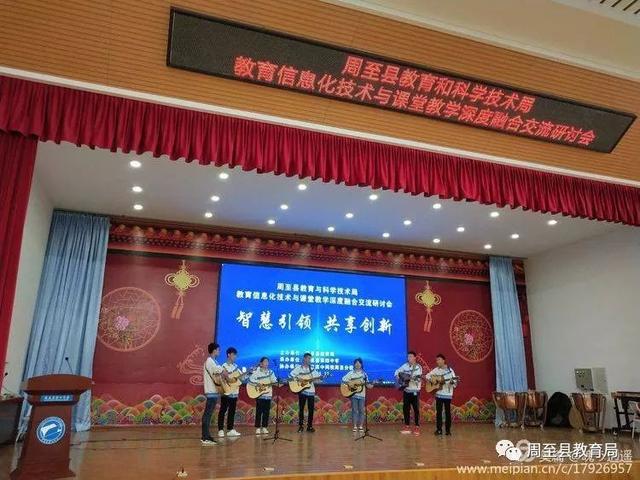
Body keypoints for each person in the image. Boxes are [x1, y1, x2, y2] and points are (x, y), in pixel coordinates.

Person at [426, 353, 457, 436]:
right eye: (437, 360)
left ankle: (448, 430)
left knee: (447, 413)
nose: (437, 361)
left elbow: (455, 382)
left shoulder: (450, 370)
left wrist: (452, 382)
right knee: (438, 412)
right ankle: (439, 430)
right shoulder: (436, 370)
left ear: (443, 360)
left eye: (439, 360)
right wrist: (433, 380)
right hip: (439, 394)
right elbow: (427, 376)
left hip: (447, 395)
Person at [394, 351, 423, 435]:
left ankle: (417, 427)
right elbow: (397, 371)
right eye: (408, 356)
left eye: (411, 356)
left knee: (416, 409)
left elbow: (418, 378)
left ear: (415, 357)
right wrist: (398, 376)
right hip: (406, 391)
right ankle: (407, 426)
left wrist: (410, 378)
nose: (409, 358)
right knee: (406, 408)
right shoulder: (405, 366)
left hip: (415, 391)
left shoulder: (418, 367)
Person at [290, 353, 319, 433]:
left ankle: (309, 426)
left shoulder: (312, 369)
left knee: (311, 410)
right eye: (308, 358)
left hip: (311, 391)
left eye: (310, 359)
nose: (309, 360)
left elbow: (317, 379)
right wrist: (299, 380)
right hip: (302, 391)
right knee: (301, 409)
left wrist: (318, 379)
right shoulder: (298, 368)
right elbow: (291, 375)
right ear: (304, 359)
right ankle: (301, 426)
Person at [218, 347, 242, 437]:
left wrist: (249, 372)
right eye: (234, 355)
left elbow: (241, 377)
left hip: (235, 393)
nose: (235, 356)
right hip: (226, 392)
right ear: (229, 355)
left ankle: (230, 429)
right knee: (223, 410)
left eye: (236, 355)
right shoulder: (223, 367)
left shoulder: (236, 367)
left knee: (232, 411)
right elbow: (222, 380)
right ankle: (220, 429)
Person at [249, 357, 277, 435]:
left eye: (267, 362)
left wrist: (278, 382)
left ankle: (264, 427)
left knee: (266, 412)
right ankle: (258, 428)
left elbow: (274, 381)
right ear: (261, 363)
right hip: (259, 394)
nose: (267, 363)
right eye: (265, 362)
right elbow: (251, 380)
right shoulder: (256, 371)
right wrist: (258, 384)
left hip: (268, 395)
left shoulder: (270, 372)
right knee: (259, 411)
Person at [201, 342, 223, 445]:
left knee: (209, 414)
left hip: (214, 392)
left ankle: (207, 435)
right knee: (207, 414)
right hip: (211, 392)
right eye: (218, 350)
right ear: (214, 350)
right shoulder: (210, 361)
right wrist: (223, 370)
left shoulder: (214, 361)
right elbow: (217, 371)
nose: (219, 351)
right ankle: (205, 437)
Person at [341, 358, 369, 432]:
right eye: (356, 363)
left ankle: (361, 426)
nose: (357, 364)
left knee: (361, 411)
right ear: (354, 364)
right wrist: (350, 383)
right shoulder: (351, 373)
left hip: (362, 395)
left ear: (361, 364)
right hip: (354, 394)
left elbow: (367, 384)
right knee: (354, 410)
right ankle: (355, 426)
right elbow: (343, 379)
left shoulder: (364, 374)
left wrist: (370, 385)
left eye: (359, 363)